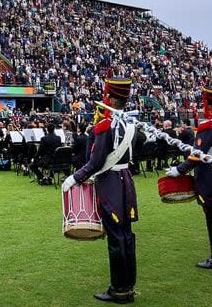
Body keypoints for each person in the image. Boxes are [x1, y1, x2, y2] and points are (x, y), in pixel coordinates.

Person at [62, 78, 138, 303]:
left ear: (110, 98)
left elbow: (95, 161)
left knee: (116, 238)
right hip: (126, 181)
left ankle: (119, 289)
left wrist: (75, 177)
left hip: (110, 182)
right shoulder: (129, 124)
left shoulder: (106, 126)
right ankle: (128, 286)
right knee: (126, 235)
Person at [166, 86, 212, 271]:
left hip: (210, 174)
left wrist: (179, 170)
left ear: (208, 103)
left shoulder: (208, 126)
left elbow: (197, 154)